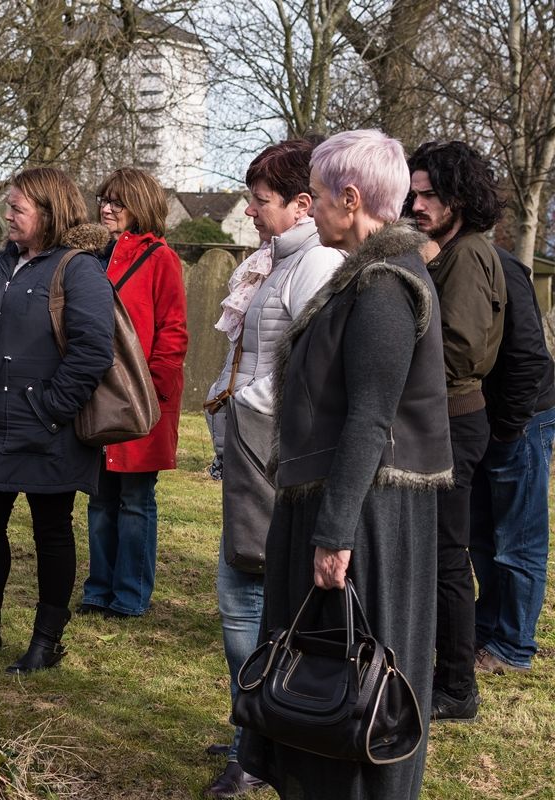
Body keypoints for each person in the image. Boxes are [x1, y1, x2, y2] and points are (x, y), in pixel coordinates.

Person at [238, 129, 452, 799]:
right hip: (344, 504)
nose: (312, 208)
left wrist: (334, 534)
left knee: (353, 684)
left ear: (351, 198)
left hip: (365, 517)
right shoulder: (364, 276)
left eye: (321, 196)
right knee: (321, 680)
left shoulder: (385, 284)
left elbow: (370, 417)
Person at [201, 139, 343, 798]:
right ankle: (252, 738)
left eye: (261, 201)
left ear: (302, 204)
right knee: (241, 605)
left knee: (248, 609)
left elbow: (312, 380)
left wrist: (244, 415)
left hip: (275, 466)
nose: (252, 212)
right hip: (250, 457)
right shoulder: (274, 263)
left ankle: (258, 749)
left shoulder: (315, 267)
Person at [0, 167, 115, 674]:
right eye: (9, 206)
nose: (7, 215)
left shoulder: (78, 270)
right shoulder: (1, 262)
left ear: (49, 213)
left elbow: (93, 352)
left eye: (18, 208)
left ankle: (46, 642)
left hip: (47, 431)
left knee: (51, 531)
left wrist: (48, 408)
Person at [406, 140, 506, 722]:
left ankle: (456, 687)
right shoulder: (446, 249)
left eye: (429, 194)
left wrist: (398, 380)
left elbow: (461, 351)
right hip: (436, 418)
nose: (416, 203)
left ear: (459, 196)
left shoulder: (467, 254)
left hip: (451, 422)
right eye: (413, 192)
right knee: (434, 553)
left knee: (447, 555)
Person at [77, 168, 186, 619]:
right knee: (100, 499)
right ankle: (97, 590)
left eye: (117, 202)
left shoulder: (161, 258)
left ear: (139, 205)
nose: (106, 207)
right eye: (104, 199)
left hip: (141, 400)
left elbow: (173, 333)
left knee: (136, 500)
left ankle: (129, 596)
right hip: (96, 396)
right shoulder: (91, 256)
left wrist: (152, 396)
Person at [468, 244, 555, 673]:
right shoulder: (448, 261)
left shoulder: (501, 266)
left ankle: (514, 646)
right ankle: (488, 628)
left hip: (521, 418)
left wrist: (508, 427)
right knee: (482, 534)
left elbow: (529, 358)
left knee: (518, 538)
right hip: (485, 419)